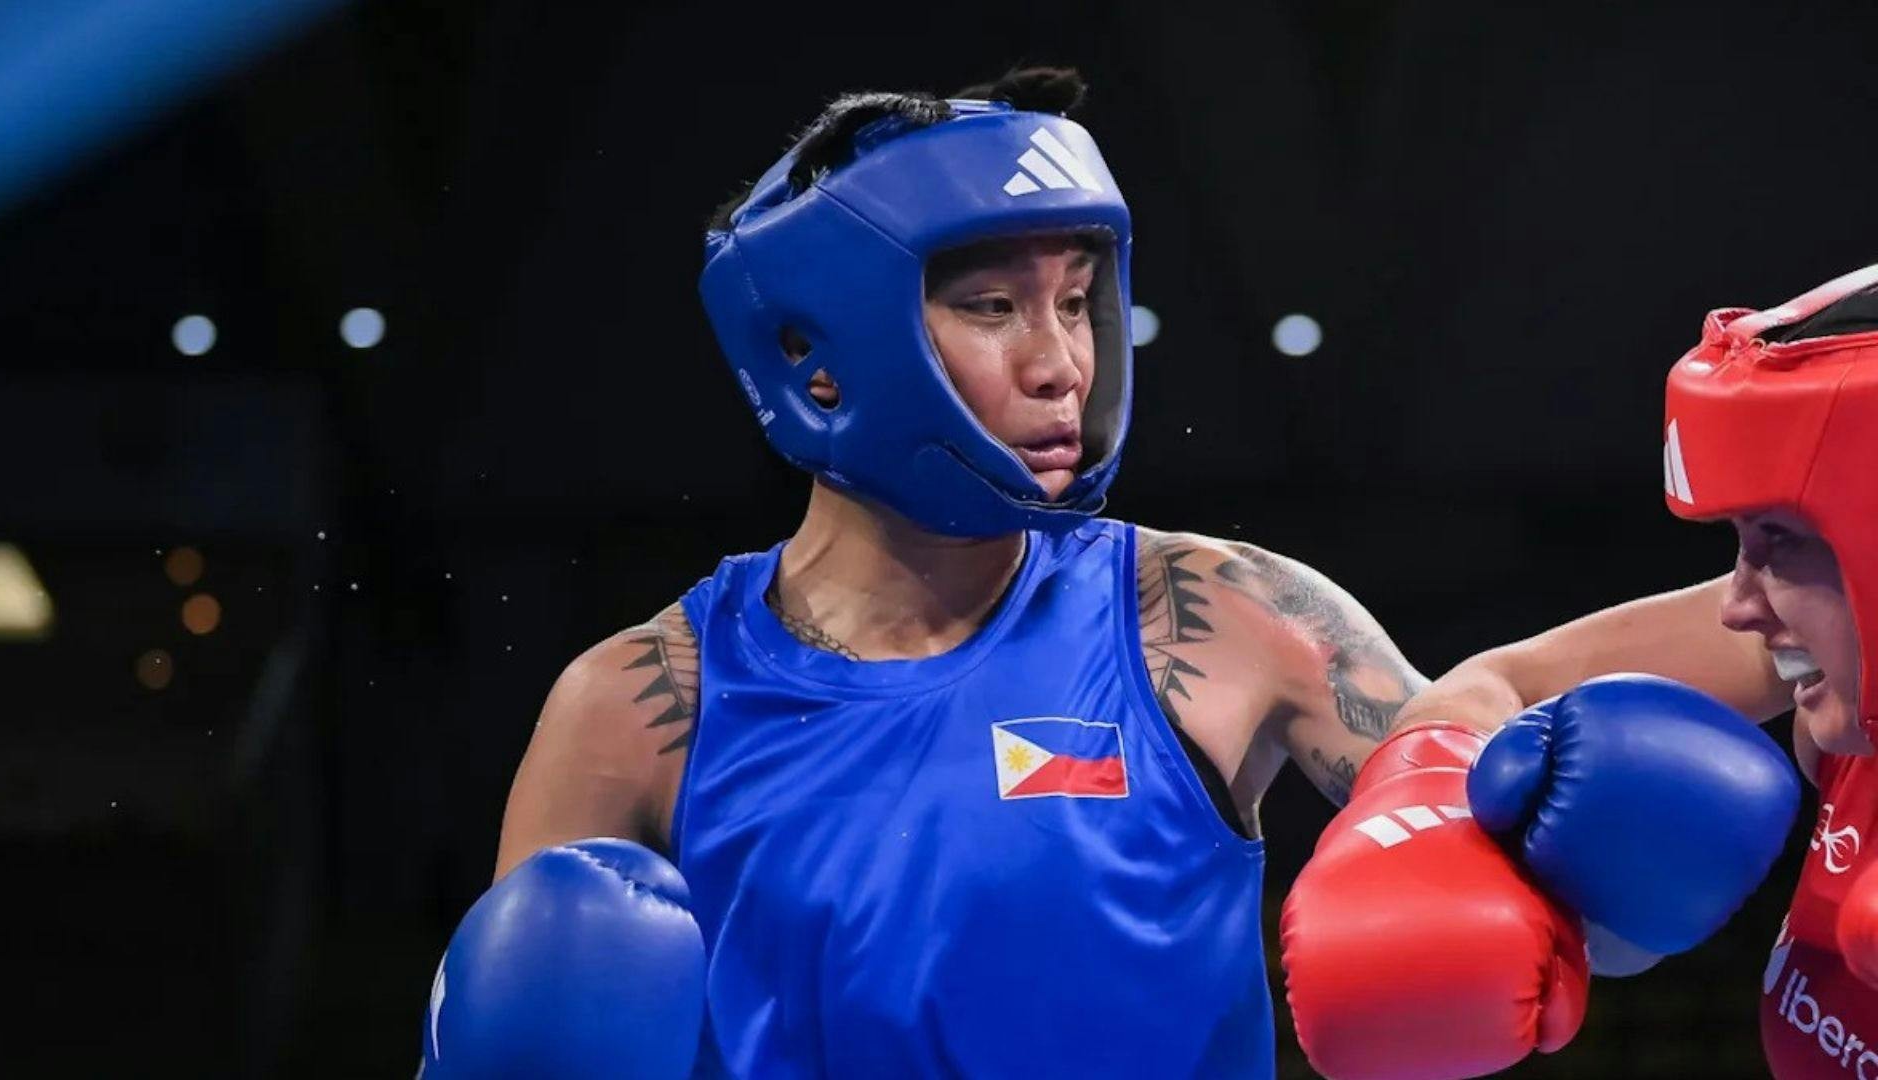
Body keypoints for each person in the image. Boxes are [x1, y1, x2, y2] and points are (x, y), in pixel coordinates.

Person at [417, 68, 1793, 1079]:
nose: (1061, 363)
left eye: (1077, 302)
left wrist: (1848, 569)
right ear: (822, 360)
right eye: (992, 306)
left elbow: (1469, 738)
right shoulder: (638, 708)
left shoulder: (1214, 618)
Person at [1283, 263, 1878, 1080]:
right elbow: (1502, 687)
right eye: (1746, 540)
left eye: (1781, 539)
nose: (1739, 605)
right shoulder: (1836, 678)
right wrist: (1429, 811)